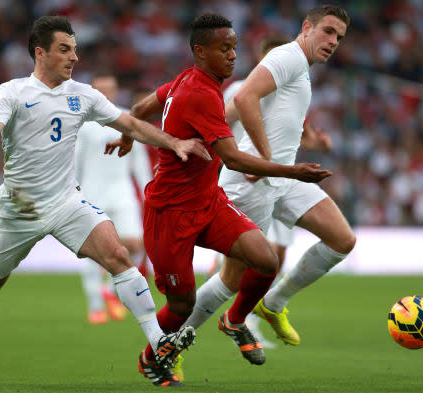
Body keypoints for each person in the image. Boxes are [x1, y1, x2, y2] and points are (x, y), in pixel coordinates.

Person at [0, 15, 212, 372]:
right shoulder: (13, 92)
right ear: (40, 53)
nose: (73, 57)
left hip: (66, 202)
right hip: (20, 210)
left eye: (74, 50)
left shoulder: (83, 95)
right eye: (64, 50)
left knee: (119, 256)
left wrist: (175, 142)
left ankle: (158, 343)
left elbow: (131, 124)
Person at [106, 13, 332, 386]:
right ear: (200, 51)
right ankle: (151, 358)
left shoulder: (190, 80)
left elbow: (144, 106)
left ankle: (237, 319)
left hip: (208, 203)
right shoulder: (199, 94)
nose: (232, 56)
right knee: (182, 305)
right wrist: (293, 171)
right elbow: (234, 159)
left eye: (234, 47)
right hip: (170, 214)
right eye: (223, 48)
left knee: (264, 259)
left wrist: (130, 134)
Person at [183, 5, 355, 363]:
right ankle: (172, 342)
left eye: (339, 37)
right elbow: (245, 98)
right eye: (328, 32)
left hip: (281, 176)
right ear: (307, 27)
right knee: (231, 279)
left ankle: (273, 303)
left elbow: (234, 111)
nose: (333, 42)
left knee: (342, 240)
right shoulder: (287, 56)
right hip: (252, 181)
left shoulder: (302, 71)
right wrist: (263, 159)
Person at [212, 34, 334, 349]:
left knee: (275, 256)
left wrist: (316, 143)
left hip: (281, 179)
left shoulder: (293, 89)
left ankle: (254, 312)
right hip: (248, 179)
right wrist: (245, 158)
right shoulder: (242, 90)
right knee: (246, 261)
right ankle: (242, 319)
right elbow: (220, 125)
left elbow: (296, 136)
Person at [75, 73, 152, 324]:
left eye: (110, 89)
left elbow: (139, 162)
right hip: (92, 193)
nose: (106, 94)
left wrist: (147, 190)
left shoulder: (127, 118)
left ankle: (109, 289)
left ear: (117, 90)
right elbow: (75, 163)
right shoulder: (83, 123)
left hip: (121, 192)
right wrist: (72, 192)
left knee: (136, 246)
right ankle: (95, 305)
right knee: (92, 252)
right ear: (93, 93)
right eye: (101, 90)